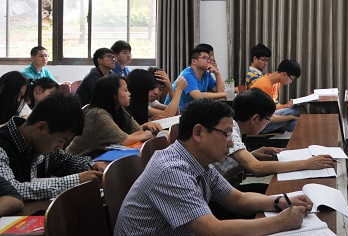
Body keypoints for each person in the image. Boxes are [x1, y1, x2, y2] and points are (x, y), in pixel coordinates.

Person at [114, 98, 312, 236]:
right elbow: (212, 231)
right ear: (198, 133)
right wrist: (281, 221)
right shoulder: (171, 171)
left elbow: (237, 199)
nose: (231, 142)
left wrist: (281, 201)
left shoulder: (200, 162)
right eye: (226, 134)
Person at [215, 88, 333, 192]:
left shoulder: (234, 127)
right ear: (255, 119)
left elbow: (225, 171)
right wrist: (307, 163)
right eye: (268, 120)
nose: (268, 123)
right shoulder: (231, 131)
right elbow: (257, 168)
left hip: (217, 185)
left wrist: (252, 155)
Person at [0, 93, 105, 201]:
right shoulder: (3, 146)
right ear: (42, 128)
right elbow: (11, 191)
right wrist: (77, 180)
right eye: (61, 140)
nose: (60, 147)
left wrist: (89, 166)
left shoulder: (40, 142)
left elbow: (65, 161)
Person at [66, 75, 162, 158]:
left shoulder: (119, 109)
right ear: (113, 94)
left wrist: (143, 128)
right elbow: (125, 140)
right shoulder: (97, 114)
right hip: (77, 162)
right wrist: (144, 135)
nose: (129, 94)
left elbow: (137, 131)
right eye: (125, 90)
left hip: (97, 158)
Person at [167, 47, 226, 113]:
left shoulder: (206, 74)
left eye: (209, 58)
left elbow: (220, 92)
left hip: (192, 111)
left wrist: (217, 73)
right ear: (194, 61)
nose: (209, 61)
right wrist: (225, 94)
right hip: (177, 112)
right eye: (205, 58)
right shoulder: (187, 74)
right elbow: (198, 96)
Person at [251, 59, 302, 133]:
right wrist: (292, 117)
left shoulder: (275, 83)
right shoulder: (265, 87)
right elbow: (270, 117)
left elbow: (271, 107)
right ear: (284, 74)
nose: (291, 82)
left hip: (267, 117)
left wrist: (285, 106)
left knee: (296, 123)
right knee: (297, 110)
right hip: (259, 123)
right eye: (292, 79)